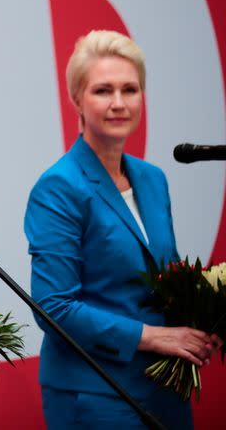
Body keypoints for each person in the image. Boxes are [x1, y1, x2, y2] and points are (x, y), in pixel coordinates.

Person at [25, 30, 221, 429]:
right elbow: (54, 308)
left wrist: (204, 322)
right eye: (103, 91)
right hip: (95, 392)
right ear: (77, 99)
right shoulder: (59, 186)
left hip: (166, 387)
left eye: (130, 90)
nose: (119, 103)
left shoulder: (153, 179)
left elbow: (168, 280)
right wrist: (154, 336)